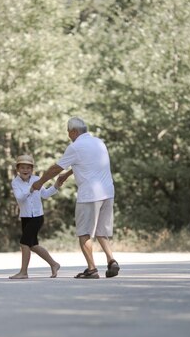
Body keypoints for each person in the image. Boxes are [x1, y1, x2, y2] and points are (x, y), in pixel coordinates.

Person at [31, 117, 119, 279]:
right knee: (101, 231)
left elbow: (55, 168)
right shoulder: (99, 142)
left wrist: (40, 182)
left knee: (84, 233)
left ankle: (92, 269)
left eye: (68, 132)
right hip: (108, 192)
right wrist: (69, 173)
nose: (68, 135)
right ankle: (111, 260)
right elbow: (88, 163)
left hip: (90, 195)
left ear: (74, 131)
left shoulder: (75, 146)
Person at [9, 154, 61, 279]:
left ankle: (23, 272)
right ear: (18, 169)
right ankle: (54, 264)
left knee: (24, 243)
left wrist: (56, 185)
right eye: (22, 167)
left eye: (28, 168)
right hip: (25, 217)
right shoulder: (15, 182)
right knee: (33, 246)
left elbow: (46, 195)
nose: (25, 170)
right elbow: (20, 198)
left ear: (32, 169)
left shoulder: (37, 179)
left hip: (37, 217)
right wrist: (31, 189)